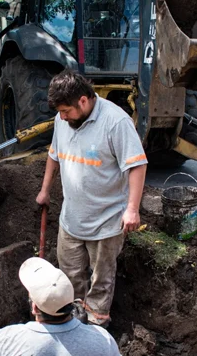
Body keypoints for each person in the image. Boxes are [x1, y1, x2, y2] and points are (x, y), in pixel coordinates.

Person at [36, 69, 147, 327]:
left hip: (106, 223)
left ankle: (97, 331)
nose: (62, 117)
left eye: (66, 111)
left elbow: (137, 165)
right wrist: (44, 190)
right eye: (60, 112)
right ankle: (74, 326)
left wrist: (132, 209)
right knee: (70, 277)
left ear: (83, 101)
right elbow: (54, 155)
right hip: (71, 220)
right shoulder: (62, 120)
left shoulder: (115, 122)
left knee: (100, 283)